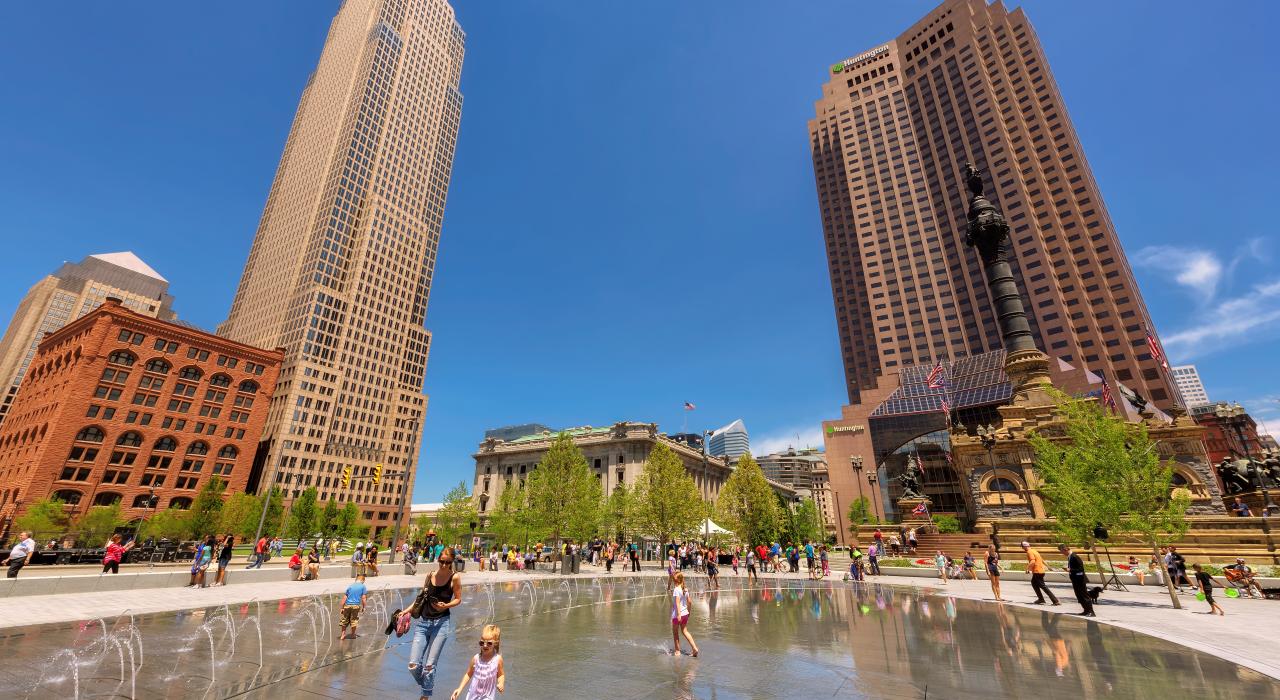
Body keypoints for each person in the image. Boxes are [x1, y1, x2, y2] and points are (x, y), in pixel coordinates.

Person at [408, 546, 464, 699]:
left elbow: (458, 599)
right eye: (442, 561)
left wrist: (446, 605)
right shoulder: (430, 575)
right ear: (438, 559)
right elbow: (420, 598)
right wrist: (405, 612)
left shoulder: (455, 577)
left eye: (448, 562)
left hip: (441, 624)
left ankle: (425, 695)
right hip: (423, 623)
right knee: (413, 665)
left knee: (429, 666)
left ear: (452, 562)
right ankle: (427, 684)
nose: (444, 565)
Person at [451, 624, 505, 700]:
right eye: (482, 643)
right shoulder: (476, 659)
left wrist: (501, 683)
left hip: (488, 697)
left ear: (495, 643)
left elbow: (501, 675)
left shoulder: (498, 659)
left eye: (489, 643)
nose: (485, 645)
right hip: (472, 696)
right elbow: (468, 674)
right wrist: (459, 689)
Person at [1058, 545, 1094, 617]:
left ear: (1065, 549)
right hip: (1075, 579)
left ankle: (1091, 611)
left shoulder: (1074, 556)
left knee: (1084, 595)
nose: (1062, 554)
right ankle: (1086, 610)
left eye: (1062, 552)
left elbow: (1081, 569)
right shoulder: (1070, 557)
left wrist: (1070, 570)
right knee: (1079, 595)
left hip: (1080, 579)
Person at [669, 571, 699, 657]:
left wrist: (678, 614)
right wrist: (689, 612)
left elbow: (677, 603)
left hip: (678, 614)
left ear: (677, 581)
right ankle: (694, 648)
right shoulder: (685, 589)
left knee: (675, 632)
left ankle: (677, 651)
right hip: (685, 613)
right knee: (685, 631)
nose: (673, 582)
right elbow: (690, 602)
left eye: (674, 580)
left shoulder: (676, 590)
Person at [1022, 541, 1059, 605]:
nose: (1022, 548)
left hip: (1037, 571)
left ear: (1024, 547)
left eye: (1022, 547)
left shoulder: (1029, 552)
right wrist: (1048, 567)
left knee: (1043, 586)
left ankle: (1055, 601)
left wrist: (1028, 569)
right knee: (1034, 583)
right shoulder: (1034, 551)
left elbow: (1032, 561)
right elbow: (1042, 560)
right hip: (1041, 570)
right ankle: (1041, 599)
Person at [339, 573, 368, 640]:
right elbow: (363, 598)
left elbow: (344, 598)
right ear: (362, 580)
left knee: (344, 620)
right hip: (355, 606)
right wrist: (364, 607)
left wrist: (342, 608)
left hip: (347, 605)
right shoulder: (363, 586)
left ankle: (343, 635)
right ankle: (352, 634)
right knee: (354, 620)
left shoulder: (350, 586)